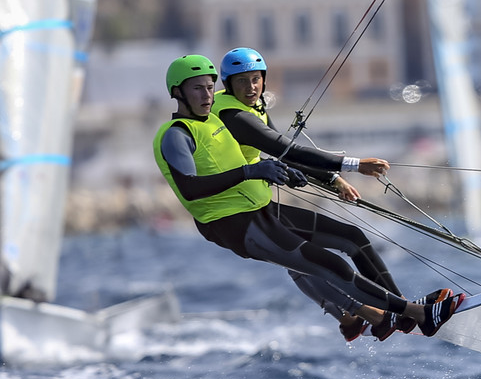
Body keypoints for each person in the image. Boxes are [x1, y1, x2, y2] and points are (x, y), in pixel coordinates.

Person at [153, 54, 463, 338]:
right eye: (197, 89)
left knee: (349, 238)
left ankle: (383, 315)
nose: (207, 95)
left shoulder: (214, 120)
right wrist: (254, 171)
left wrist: (285, 172)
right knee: (328, 265)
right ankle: (415, 314)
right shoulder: (177, 134)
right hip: (235, 224)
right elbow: (191, 188)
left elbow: (258, 158)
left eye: (209, 88)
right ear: (177, 92)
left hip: (261, 209)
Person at [212, 46, 411, 340]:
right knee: (347, 241)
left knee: (302, 261)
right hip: (245, 212)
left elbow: (283, 155)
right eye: (242, 81)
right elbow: (287, 149)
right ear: (227, 83)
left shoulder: (251, 107)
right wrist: (354, 165)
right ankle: (402, 310)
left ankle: (352, 318)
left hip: (251, 207)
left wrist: (333, 179)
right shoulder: (233, 114)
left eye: (256, 79)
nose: (251, 87)